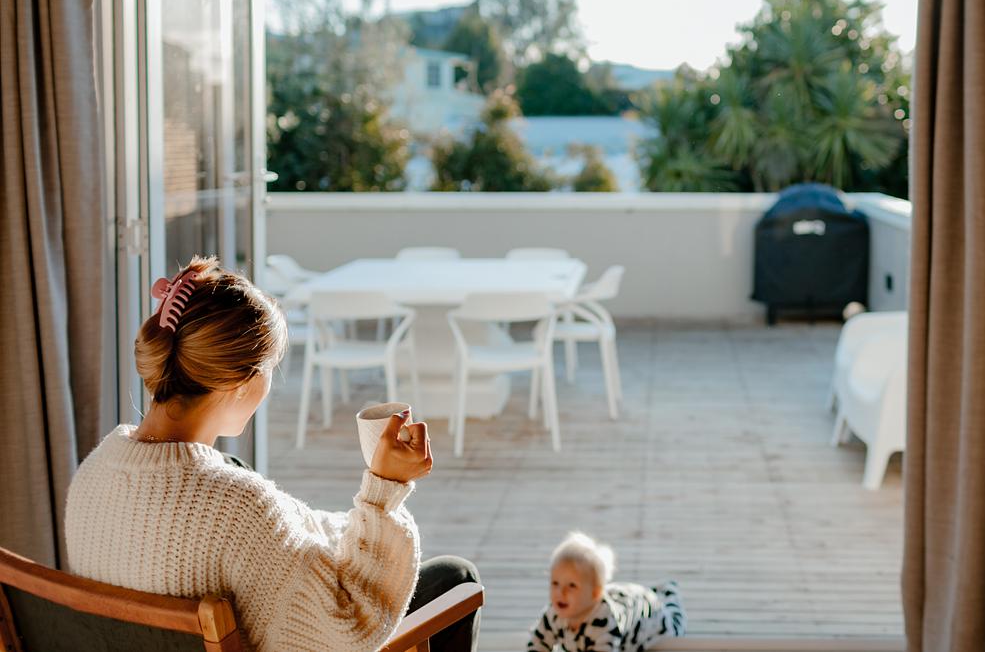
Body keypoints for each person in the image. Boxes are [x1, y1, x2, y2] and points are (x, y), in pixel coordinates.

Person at [65, 255, 479, 652]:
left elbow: (276, 539)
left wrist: (355, 524)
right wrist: (384, 492)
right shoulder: (237, 508)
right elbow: (348, 630)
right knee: (457, 579)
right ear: (241, 382)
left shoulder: (92, 474)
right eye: (268, 369)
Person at [527, 532, 684, 652]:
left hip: (650, 616)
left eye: (572, 586)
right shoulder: (553, 613)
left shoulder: (604, 622)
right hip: (622, 596)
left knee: (675, 624)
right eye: (555, 583)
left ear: (595, 594)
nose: (561, 592)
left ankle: (669, 592)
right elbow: (537, 644)